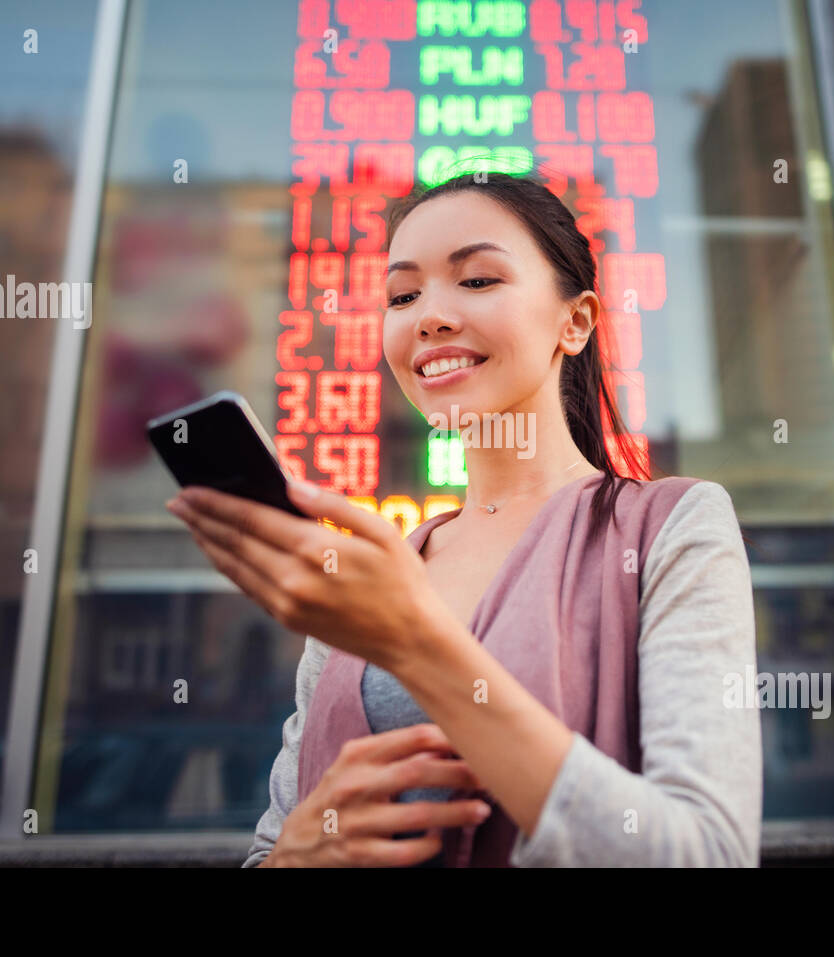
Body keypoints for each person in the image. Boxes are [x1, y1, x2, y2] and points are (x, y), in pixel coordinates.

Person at [167, 171, 761, 867]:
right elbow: (271, 846)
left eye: (477, 280)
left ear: (575, 321)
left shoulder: (673, 529)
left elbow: (707, 854)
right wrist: (296, 854)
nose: (429, 316)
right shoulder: (371, 574)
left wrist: (416, 643)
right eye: (403, 294)